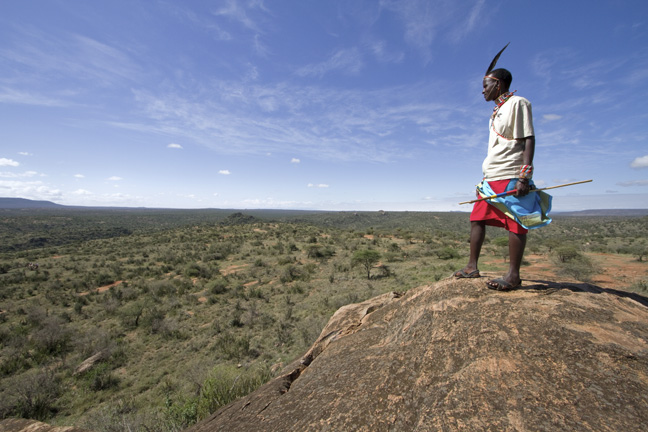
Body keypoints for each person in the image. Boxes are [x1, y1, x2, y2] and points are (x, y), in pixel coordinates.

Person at [454, 44, 539, 291]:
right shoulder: (497, 111)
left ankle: (513, 276)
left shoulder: (518, 103)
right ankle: (472, 266)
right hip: (490, 177)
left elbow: (529, 138)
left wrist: (524, 175)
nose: (482, 91)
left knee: (516, 221)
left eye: (485, 86)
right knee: (477, 218)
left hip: (511, 173)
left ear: (498, 84)